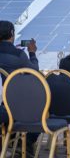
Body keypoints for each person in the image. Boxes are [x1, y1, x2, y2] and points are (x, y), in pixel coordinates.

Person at [0, 20, 39, 155]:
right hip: (12, 106)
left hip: (2, 106)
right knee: (42, 107)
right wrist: (32, 53)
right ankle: (26, 143)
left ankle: (9, 137)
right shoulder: (18, 55)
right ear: (12, 34)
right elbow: (35, 72)